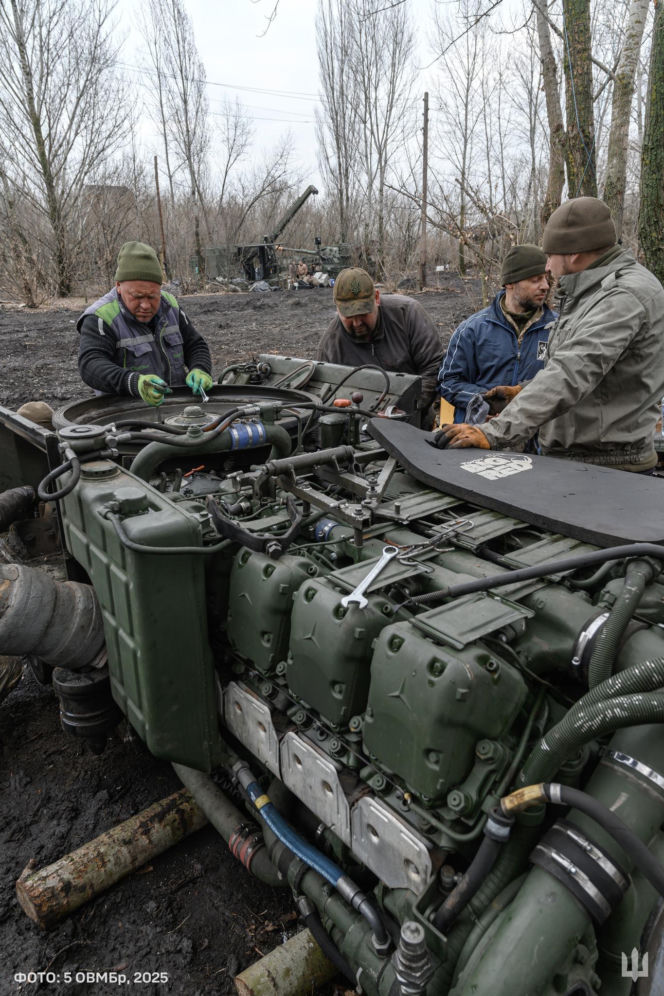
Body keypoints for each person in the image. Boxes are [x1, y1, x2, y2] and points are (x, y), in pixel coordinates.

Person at [432, 197, 664, 472]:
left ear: (574, 254)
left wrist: (493, 432)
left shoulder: (622, 297)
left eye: (550, 257)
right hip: (581, 461)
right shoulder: (592, 292)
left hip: (607, 469)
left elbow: (572, 371)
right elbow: (576, 366)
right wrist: (522, 391)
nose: (548, 269)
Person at [77, 241, 213, 407]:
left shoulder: (170, 305)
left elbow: (195, 345)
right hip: (127, 416)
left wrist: (200, 368)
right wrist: (134, 383)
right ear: (118, 286)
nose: (146, 305)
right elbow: (90, 365)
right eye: (137, 297)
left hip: (178, 410)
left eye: (152, 296)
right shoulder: (100, 317)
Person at [438, 245, 555, 422]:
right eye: (535, 280)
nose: (545, 286)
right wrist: (485, 402)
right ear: (510, 283)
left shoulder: (557, 328)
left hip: (533, 440)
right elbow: (447, 381)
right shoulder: (472, 329)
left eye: (546, 279)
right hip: (478, 436)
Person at [317, 267, 442, 419]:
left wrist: (403, 409)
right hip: (358, 425)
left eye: (363, 313)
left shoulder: (407, 314)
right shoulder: (330, 344)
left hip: (413, 420)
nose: (357, 323)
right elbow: (324, 394)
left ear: (376, 298)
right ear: (337, 307)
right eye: (349, 316)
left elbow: (434, 366)